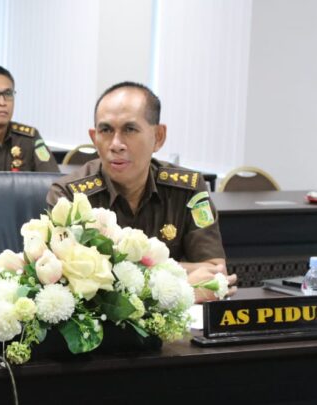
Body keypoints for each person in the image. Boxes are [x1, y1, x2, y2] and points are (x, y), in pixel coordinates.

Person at [46, 82, 237, 302]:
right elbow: (70, 280)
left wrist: (118, 273)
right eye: (106, 130)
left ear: (158, 137)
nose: (116, 144)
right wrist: (179, 284)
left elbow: (214, 272)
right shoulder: (69, 196)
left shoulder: (189, 189)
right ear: (93, 138)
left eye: (130, 129)